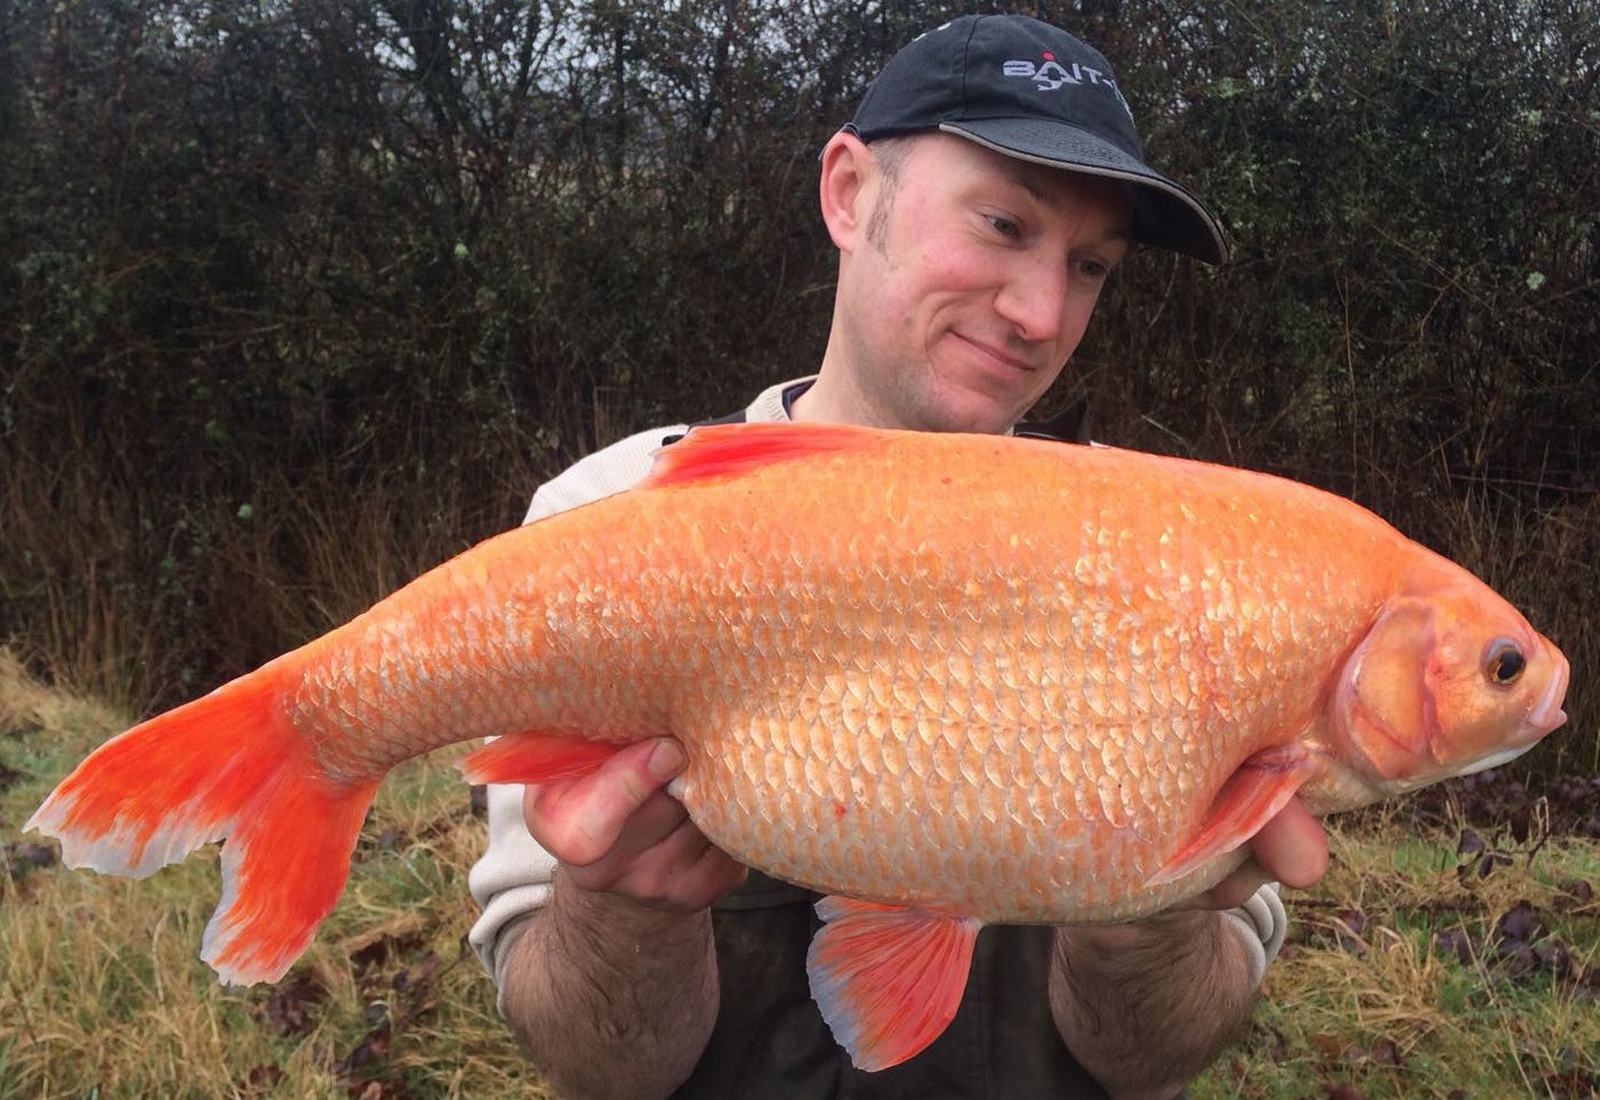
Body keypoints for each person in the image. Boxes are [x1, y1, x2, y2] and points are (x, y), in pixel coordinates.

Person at [469, 14, 1328, 1099]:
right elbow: (591, 1058)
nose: (1040, 311)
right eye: (1004, 223)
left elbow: (1152, 1053)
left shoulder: (1185, 567)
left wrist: (1152, 902)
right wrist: (618, 909)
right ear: (847, 192)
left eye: (1090, 264)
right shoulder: (603, 519)